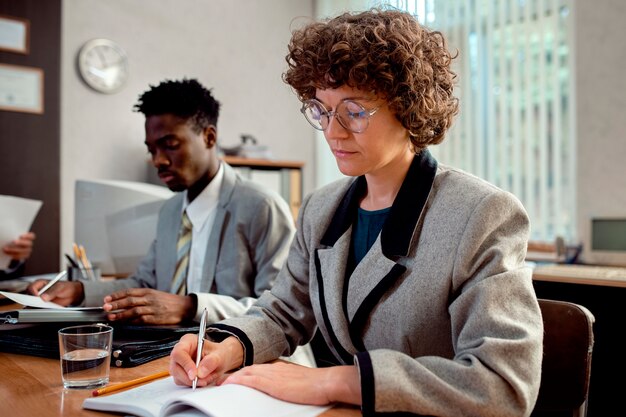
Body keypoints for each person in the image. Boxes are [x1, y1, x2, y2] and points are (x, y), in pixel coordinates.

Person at [169, 8, 544, 417]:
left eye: (354, 111)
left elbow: (503, 385)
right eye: (322, 110)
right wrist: (227, 347)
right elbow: (284, 310)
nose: (333, 131)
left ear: (408, 108)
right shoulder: (321, 207)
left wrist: (337, 380)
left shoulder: (483, 213)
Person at [27, 79, 296, 326]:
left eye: (170, 144)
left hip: (255, 363)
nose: (158, 160)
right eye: (152, 149)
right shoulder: (170, 210)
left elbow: (279, 310)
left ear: (209, 137)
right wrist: (80, 290)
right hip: (180, 356)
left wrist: (190, 307)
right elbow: (145, 283)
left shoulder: (261, 206)